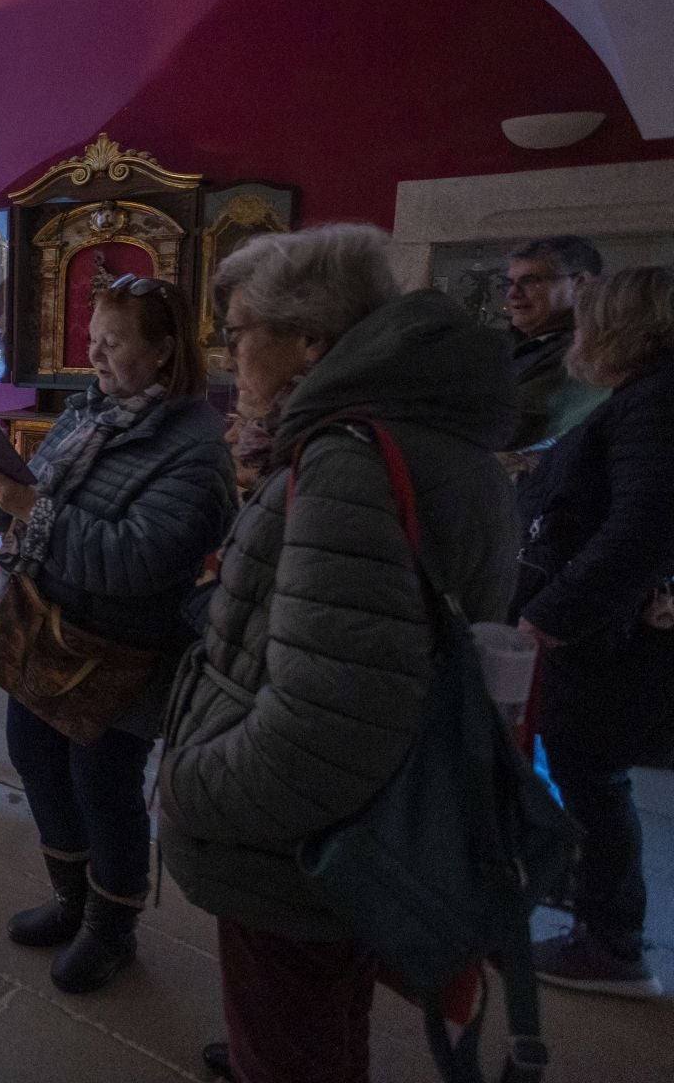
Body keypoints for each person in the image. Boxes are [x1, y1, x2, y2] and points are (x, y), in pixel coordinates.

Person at [156, 224, 519, 1083]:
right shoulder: (419, 433)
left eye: (241, 331)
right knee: (319, 1003)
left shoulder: (347, 462)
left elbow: (327, 726)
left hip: (299, 851)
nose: (229, 353)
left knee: (291, 1035)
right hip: (359, 827)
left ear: (307, 341)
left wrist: (191, 785)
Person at [0, 275, 234, 995]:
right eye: (92, 342)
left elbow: (139, 557)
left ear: (165, 352)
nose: (96, 359)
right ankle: (72, 901)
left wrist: (29, 507)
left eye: (114, 344)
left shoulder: (196, 446)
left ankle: (111, 932)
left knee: (103, 787)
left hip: (117, 650)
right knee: (35, 757)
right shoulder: (91, 412)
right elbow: (43, 499)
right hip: (43, 629)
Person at [517, 265, 674, 997]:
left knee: (592, 776)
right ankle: (598, 923)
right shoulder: (643, 399)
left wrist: (553, 615)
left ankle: (609, 941)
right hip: (610, 634)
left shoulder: (654, 401)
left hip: (608, 642)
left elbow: (642, 527)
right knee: (591, 774)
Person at [501, 235, 608, 462]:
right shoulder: (519, 346)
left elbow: (511, 426)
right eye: (510, 282)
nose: (513, 293)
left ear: (580, 283)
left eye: (532, 281)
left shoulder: (586, 353)